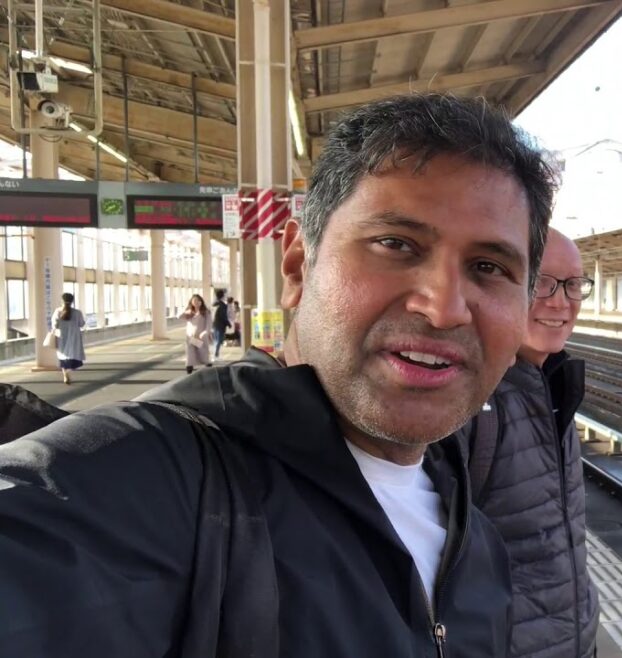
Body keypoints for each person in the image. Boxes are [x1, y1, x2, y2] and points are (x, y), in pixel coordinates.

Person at [0, 93, 556, 657]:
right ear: (297, 265)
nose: (444, 307)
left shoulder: (476, 540)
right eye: (395, 244)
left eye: (489, 267)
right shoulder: (148, 481)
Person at [456, 229, 599, 657]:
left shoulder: (553, 387)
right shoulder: (467, 402)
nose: (561, 301)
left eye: (574, 284)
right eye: (542, 282)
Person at [52, 292, 86, 384]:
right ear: (72, 301)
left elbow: (54, 325)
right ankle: (68, 372)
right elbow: (82, 324)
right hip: (74, 338)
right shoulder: (77, 312)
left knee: (62, 357)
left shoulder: (57, 312)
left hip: (61, 337)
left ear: (61, 301)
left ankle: (65, 375)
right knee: (73, 357)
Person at [180, 293, 213, 374]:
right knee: (190, 353)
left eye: (198, 300)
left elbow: (209, 324)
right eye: (194, 300)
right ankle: (189, 368)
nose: (196, 302)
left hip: (200, 336)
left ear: (201, 302)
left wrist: (205, 332)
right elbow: (179, 316)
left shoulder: (205, 312)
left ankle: (208, 365)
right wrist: (186, 310)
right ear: (191, 302)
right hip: (191, 336)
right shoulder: (189, 312)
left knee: (202, 352)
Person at [211, 289, 230, 359]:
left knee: (216, 339)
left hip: (214, 324)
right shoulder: (223, 305)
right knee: (219, 340)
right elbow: (223, 316)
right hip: (220, 325)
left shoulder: (214, 304)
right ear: (223, 296)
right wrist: (228, 324)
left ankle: (215, 353)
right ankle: (216, 353)